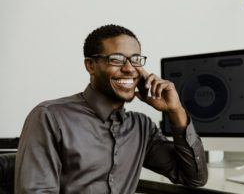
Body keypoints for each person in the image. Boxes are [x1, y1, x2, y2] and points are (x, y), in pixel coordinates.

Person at [15, 24, 208, 194]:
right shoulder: (50, 117)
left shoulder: (141, 127)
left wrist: (175, 111)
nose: (129, 68)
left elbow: (194, 179)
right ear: (90, 65)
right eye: (116, 59)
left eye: (135, 60)